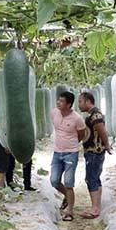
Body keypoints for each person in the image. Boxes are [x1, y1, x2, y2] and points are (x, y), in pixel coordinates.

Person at [50, 91, 86, 221]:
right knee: (54, 181)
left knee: (69, 182)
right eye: (58, 100)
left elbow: (81, 134)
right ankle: (68, 196)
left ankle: (69, 211)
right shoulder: (54, 113)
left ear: (69, 104)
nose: (58, 102)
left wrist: (73, 143)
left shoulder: (77, 118)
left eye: (61, 101)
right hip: (57, 152)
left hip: (71, 153)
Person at [0, 95, 36, 191]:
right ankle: (1, 190)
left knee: (11, 162)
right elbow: (0, 122)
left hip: (8, 136)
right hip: (1, 137)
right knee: (2, 164)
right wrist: (6, 143)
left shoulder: (5, 99)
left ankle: (14, 186)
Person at [77, 91, 112, 219]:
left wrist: (107, 145)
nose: (79, 104)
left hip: (94, 152)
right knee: (95, 178)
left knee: (91, 179)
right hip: (93, 152)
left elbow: (102, 131)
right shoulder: (92, 114)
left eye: (80, 101)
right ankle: (96, 206)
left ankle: (95, 209)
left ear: (87, 101)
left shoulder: (95, 114)